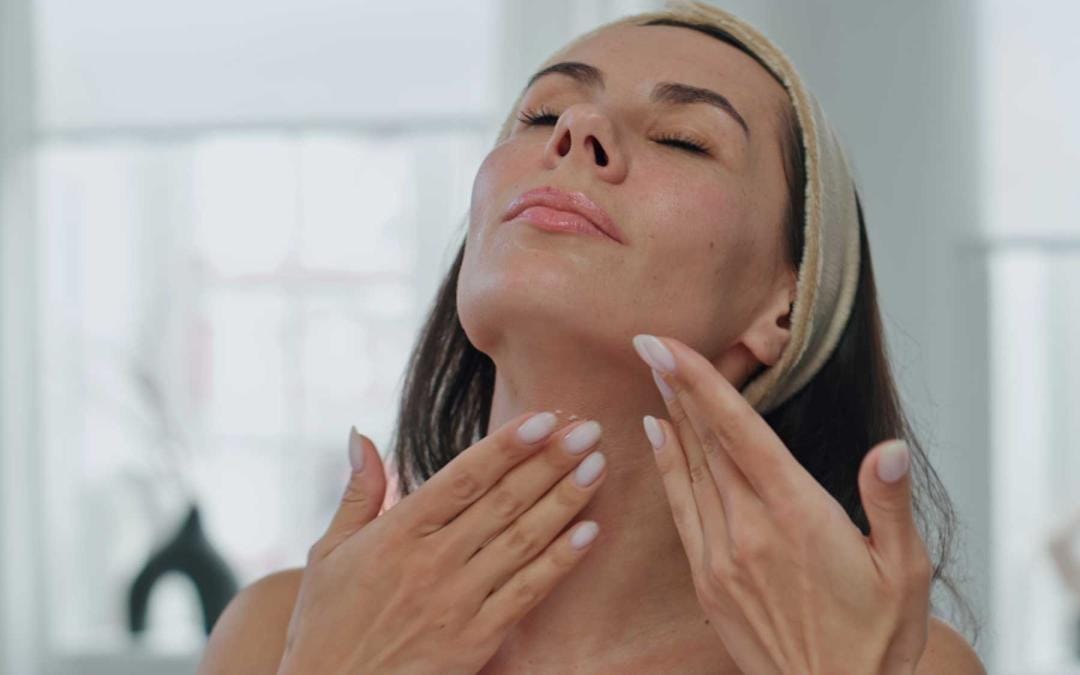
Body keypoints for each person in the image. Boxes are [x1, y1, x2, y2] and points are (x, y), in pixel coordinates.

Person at [199, 2, 986, 672]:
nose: (575, 130)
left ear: (787, 305)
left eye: (683, 138)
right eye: (542, 115)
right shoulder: (279, 636)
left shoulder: (899, 661)